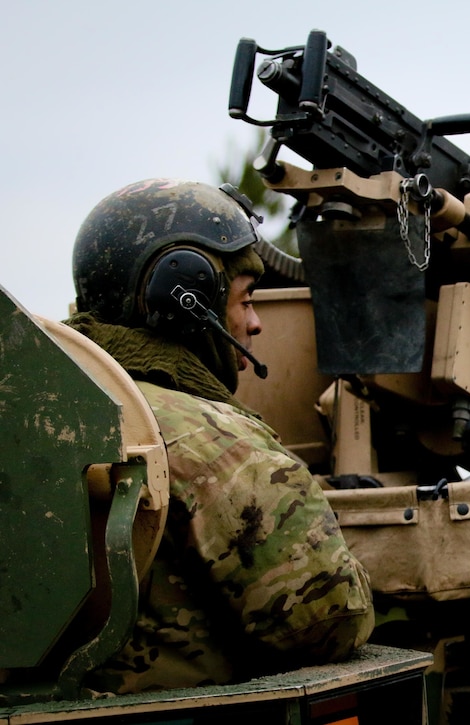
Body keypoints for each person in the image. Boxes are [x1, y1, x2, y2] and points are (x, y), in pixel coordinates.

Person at [66, 178, 374, 693]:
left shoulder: (44, 405)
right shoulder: (210, 440)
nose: (254, 323)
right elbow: (325, 621)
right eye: (245, 299)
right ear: (187, 299)